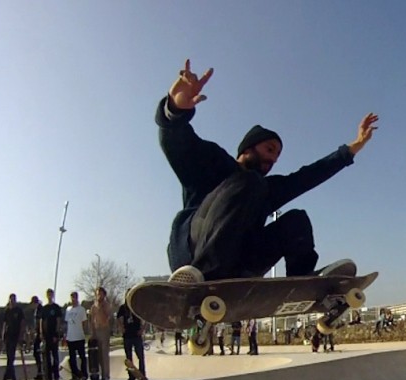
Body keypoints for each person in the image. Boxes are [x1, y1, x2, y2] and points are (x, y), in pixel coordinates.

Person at [157, 60, 378, 285]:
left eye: (277, 156)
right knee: (249, 181)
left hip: (239, 264)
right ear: (247, 148)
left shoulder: (265, 189)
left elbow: (308, 176)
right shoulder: (212, 163)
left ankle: (302, 282)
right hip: (194, 258)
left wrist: (353, 148)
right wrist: (175, 111)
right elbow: (178, 144)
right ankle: (203, 277)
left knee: (296, 219)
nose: (272, 159)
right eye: (269, 150)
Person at [117, 298, 147, 380]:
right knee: (128, 358)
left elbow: (147, 318)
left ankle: (142, 374)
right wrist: (121, 328)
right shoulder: (123, 307)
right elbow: (118, 318)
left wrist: (142, 329)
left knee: (140, 356)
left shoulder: (137, 306)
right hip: (127, 335)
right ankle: (131, 376)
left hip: (137, 334)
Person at [39, 289, 63, 380]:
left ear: (53, 295)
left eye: (51, 294)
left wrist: (56, 334)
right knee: (46, 357)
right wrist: (41, 333)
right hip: (46, 335)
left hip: (54, 335)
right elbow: (42, 321)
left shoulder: (56, 307)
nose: (49, 296)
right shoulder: (44, 308)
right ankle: (48, 376)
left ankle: (56, 376)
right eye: (48, 294)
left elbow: (58, 321)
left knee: (55, 356)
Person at [63, 291, 88, 380]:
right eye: (72, 298)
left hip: (79, 336)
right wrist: (65, 335)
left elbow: (84, 322)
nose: (73, 300)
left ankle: (84, 375)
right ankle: (75, 375)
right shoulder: (68, 309)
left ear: (77, 298)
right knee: (72, 358)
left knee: (82, 357)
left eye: (74, 298)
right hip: (70, 337)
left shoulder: (81, 309)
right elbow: (66, 323)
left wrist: (84, 332)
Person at [89, 287, 112, 380]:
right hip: (96, 330)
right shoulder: (93, 306)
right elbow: (91, 320)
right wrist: (92, 332)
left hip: (104, 330)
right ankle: (98, 375)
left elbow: (108, 317)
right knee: (98, 355)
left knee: (104, 353)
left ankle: (106, 375)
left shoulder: (106, 305)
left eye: (101, 294)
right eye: (97, 294)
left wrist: (102, 307)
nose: (99, 296)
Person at [1, 294, 25, 380]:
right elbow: (4, 323)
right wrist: (3, 333)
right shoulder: (7, 310)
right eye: (11, 300)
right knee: (9, 357)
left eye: (13, 300)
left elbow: (22, 323)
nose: (12, 301)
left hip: (15, 335)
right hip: (8, 335)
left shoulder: (18, 311)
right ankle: (13, 376)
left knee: (11, 356)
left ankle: (6, 377)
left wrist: (21, 336)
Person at [30, 296, 44, 380]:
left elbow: (40, 322)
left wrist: (40, 333)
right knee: (36, 353)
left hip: (40, 334)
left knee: (38, 353)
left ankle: (42, 372)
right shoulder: (36, 310)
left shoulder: (40, 310)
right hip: (37, 333)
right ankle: (40, 371)